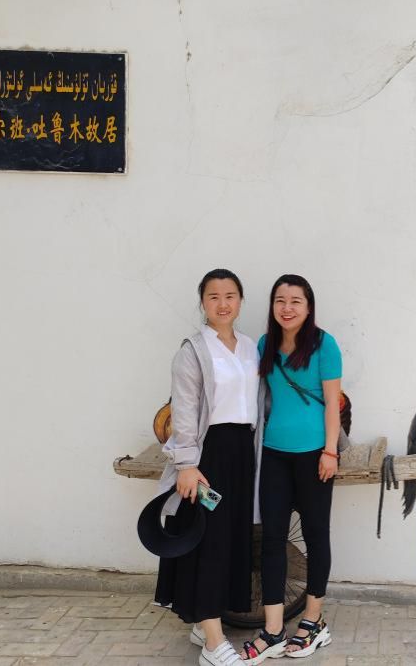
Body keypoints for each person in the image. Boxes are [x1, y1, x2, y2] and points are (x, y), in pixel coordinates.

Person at [154, 269, 266, 666]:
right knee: (210, 540)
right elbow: (184, 409)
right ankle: (215, 646)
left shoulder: (251, 348)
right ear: (202, 302)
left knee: (232, 538)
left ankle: (205, 624)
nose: (223, 303)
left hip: (242, 455)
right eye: (214, 296)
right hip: (208, 457)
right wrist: (187, 464)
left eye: (230, 295)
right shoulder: (193, 350)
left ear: (240, 301)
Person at [242, 274, 341, 663]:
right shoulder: (265, 344)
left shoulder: (324, 345)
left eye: (295, 301)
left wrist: (330, 452)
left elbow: (332, 404)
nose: (287, 308)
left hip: (315, 454)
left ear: (308, 307)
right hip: (274, 455)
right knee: (272, 540)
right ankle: (273, 630)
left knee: (316, 536)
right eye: (280, 301)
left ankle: (313, 622)